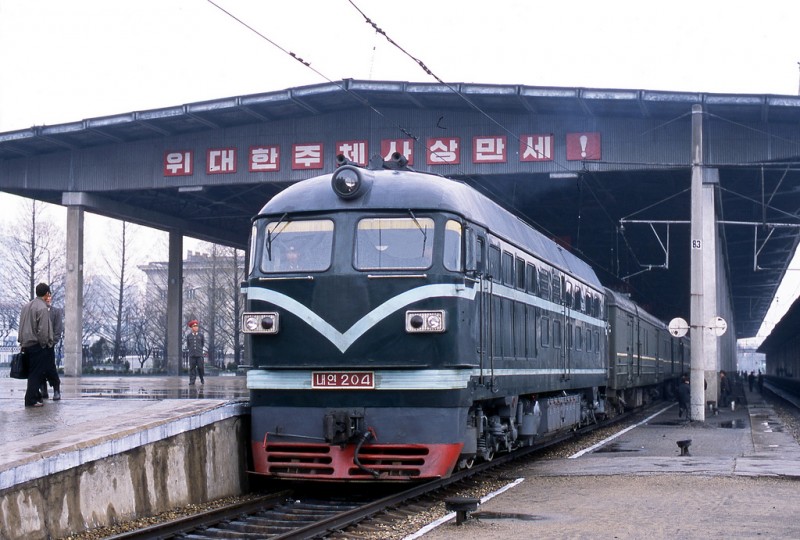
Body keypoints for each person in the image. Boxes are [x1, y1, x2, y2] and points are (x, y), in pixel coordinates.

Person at [17, 283, 55, 407]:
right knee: (36, 373)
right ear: (47, 294)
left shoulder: (26, 306)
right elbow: (43, 329)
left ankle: (34, 396)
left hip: (26, 344)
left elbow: (21, 325)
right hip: (37, 345)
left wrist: (21, 341)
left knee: (31, 373)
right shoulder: (42, 308)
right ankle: (31, 399)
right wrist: (45, 344)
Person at [39, 293, 63, 401]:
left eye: (49, 297)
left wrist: (53, 342)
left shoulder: (56, 312)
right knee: (39, 369)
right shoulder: (38, 311)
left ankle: (56, 389)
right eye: (46, 297)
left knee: (51, 368)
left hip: (49, 345)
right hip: (39, 345)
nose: (48, 299)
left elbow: (58, 329)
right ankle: (43, 389)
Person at [186, 319, 205, 385]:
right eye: (194, 326)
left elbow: (202, 344)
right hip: (192, 354)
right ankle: (192, 380)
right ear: (191, 327)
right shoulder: (189, 336)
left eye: (197, 326)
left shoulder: (201, 335)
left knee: (200, 367)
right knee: (192, 368)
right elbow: (188, 345)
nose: (196, 327)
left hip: (199, 354)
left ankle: (201, 378)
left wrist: (199, 350)